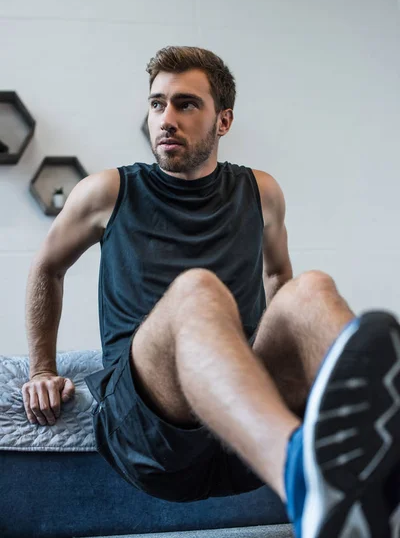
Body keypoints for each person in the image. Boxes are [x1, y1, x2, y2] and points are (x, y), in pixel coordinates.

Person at [22, 46, 400, 538]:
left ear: (223, 121)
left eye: (186, 104)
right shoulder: (108, 191)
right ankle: (302, 474)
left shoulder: (260, 192)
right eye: (157, 104)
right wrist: (42, 369)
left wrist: (289, 348)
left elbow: (278, 280)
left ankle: (381, 465)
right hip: (147, 431)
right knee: (198, 290)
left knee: (312, 288)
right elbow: (46, 267)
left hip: (237, 440)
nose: (166, 119)